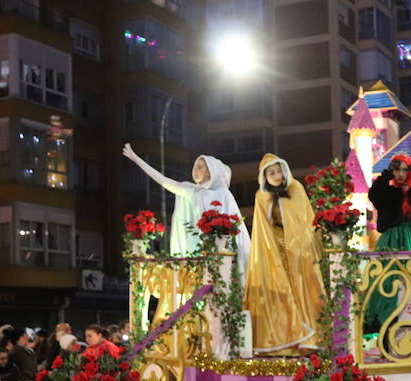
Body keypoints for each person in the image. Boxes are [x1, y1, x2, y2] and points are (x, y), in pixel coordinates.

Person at [244, 154, 325, 355]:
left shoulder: (295, 188)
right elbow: (263, 226)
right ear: (265, 176)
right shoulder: (261, 196)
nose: (277, 175)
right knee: (279, 291)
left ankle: (311, 339)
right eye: (271, 172)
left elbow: (304, 218)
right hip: (274, 247)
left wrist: (298, 245)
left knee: (303, 289)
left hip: (297, 247)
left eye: (279, 170)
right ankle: (285, 341)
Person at [122, 143, 250, 261]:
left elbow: (235, 228)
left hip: (222, 253)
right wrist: (136, 158)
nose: (195, 171)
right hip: (199, 249)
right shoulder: (192, 190)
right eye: (194, 167)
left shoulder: (223, 194)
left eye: (200, 167)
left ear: (210, 172)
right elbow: (163, 180)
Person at [365, 154, 411, 329]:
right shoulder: (387, 190)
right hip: (391, 240)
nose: (401, 174)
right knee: (388, 280)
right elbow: (374, 196)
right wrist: (385, 176)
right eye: (397, 170)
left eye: (405, 170)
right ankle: (387, 322)